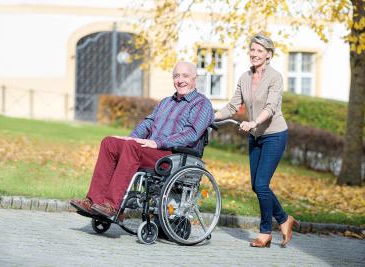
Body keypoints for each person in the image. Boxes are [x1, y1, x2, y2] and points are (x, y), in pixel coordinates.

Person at [71, 61, 214, 220]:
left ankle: (112, 206)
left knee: (132, 147)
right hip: (151, 150)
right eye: (176, 76)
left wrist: (159, 143)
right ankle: (93, 201)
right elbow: (148, 124)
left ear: (195, 78)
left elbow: (191, 133)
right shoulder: (166, 102)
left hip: (172, 156)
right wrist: (130, 138)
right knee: (109, 143)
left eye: (185, 76)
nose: (180, 80)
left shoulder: (202, 104)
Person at [214, 34, 299, 248]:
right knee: (256, 185)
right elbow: (233, 106)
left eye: (260, 51)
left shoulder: (275, 77)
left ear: (268, 55)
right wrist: (211, 116)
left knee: (261, 184)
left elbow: (270, 108)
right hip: (256, 137)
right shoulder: (244, 77)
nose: (254, 54)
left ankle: (265, 233)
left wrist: (253, 122)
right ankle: (284, 219)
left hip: (275, 134)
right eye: (252, 50)